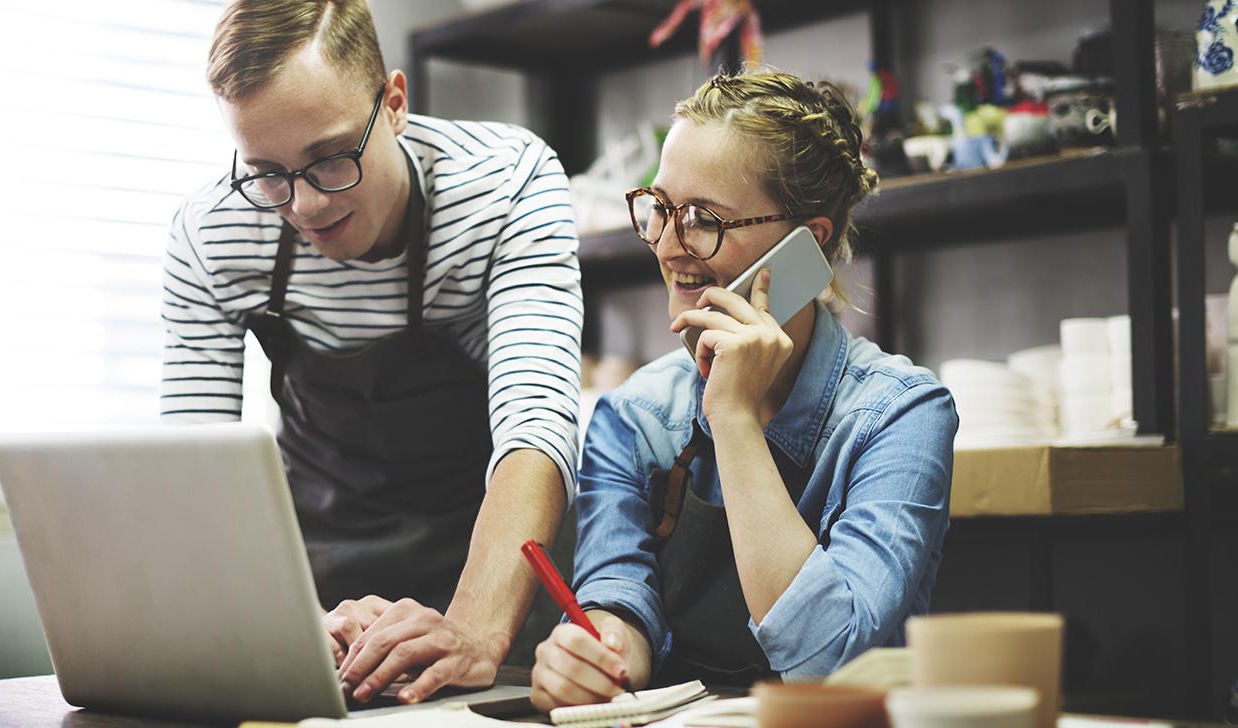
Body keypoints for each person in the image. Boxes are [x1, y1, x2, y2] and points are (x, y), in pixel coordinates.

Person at [160, 0, 582, 704]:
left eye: (328, 160)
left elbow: (535, 429)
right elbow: (197, 478)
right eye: (268, 172)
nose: (305, 206)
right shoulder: (211, 234)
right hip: (324, 601)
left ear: (393, 104)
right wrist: (276, 626)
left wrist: (473, 630)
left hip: (487, 587)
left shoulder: (509, 184)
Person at [529, 70, 958, 710]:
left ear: (806, 243)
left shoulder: (899, 415)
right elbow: (618, 595)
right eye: (661, 208)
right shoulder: (635, 417)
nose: (669, 247)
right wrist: (598, 654)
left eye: (703, 219)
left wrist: (732, 417)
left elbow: (832, 662)